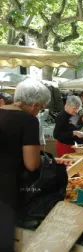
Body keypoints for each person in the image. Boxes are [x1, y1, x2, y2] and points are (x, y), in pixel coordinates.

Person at [0, 79, 51, 212]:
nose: (39, 111)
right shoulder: (28, 120)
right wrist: (45, 160)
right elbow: (32, 164)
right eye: (41, 108)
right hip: (10, 189)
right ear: (34, 105)